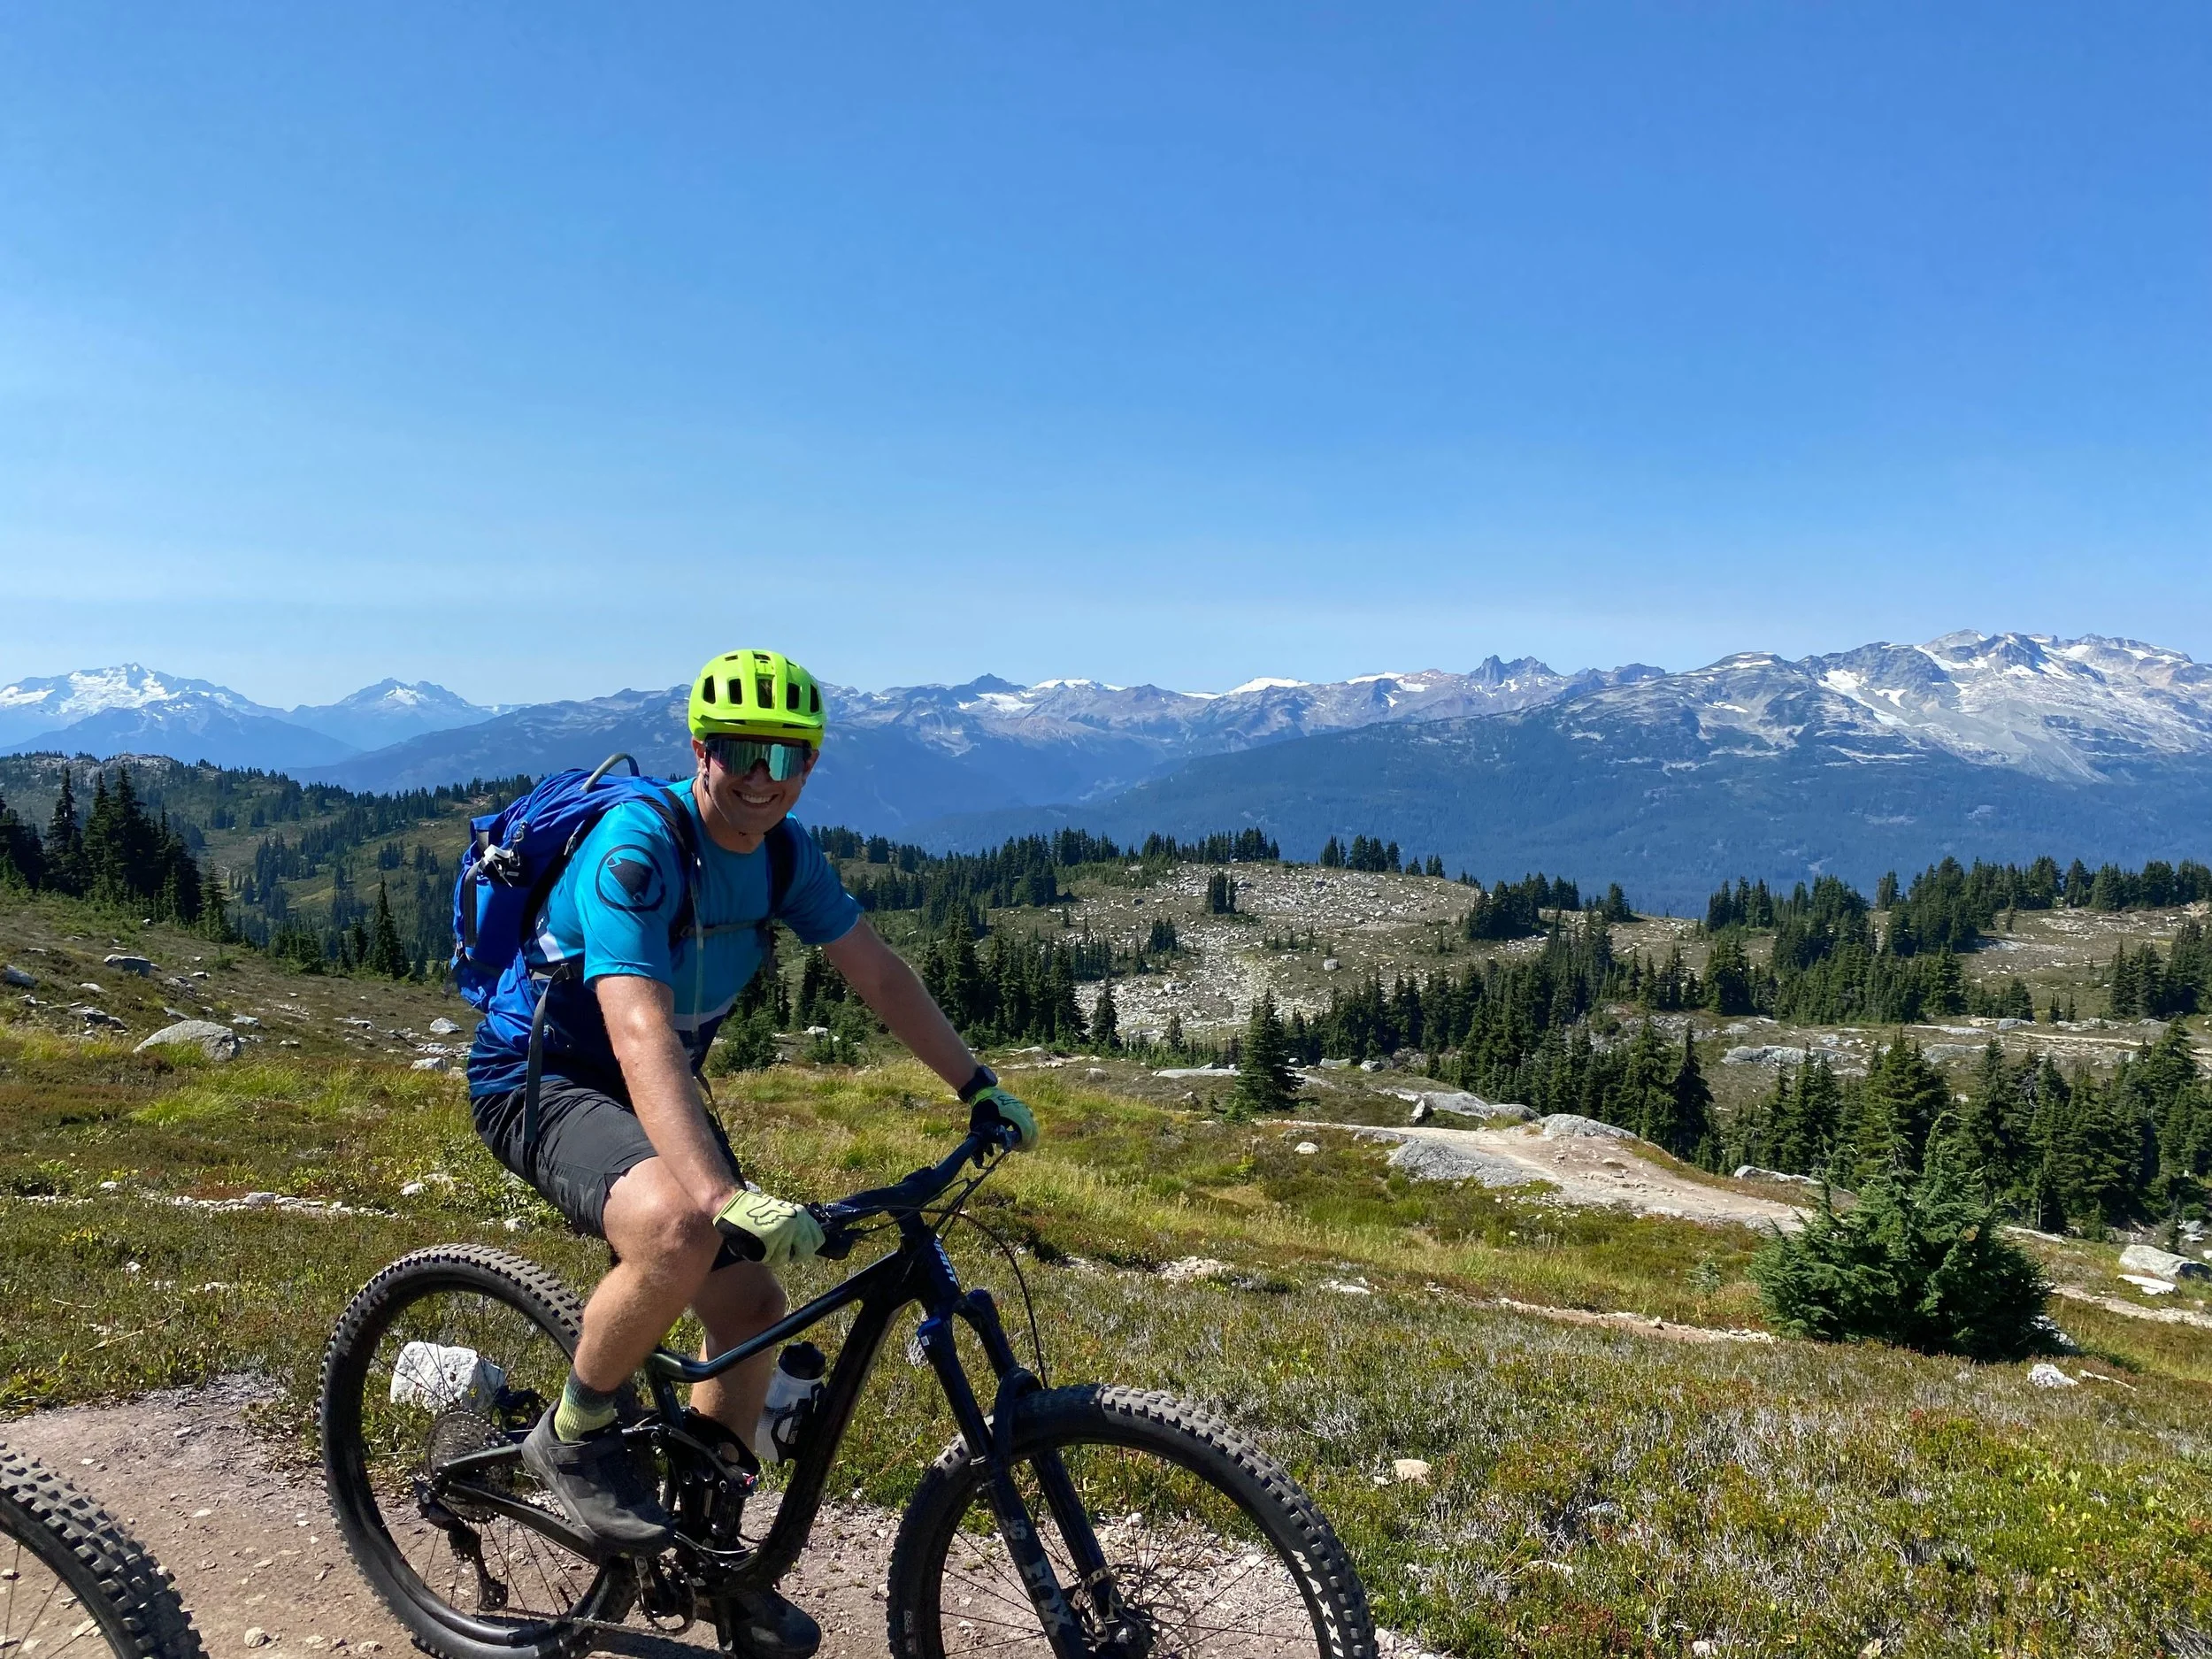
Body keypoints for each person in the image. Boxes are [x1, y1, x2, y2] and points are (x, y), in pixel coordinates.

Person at [465, 648, 1035, 1654]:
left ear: (810, 763)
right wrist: (721, 1189)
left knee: (751, 1308)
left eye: (790, 753)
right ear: (701, 748)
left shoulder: (781, 853)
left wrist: (975, 1084)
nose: (764, 773)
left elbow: (878, 972)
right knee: (681, 1223)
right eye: (741, 749)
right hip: (543, 1076)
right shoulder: (637, 847)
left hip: (657, 1085)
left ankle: (707, 1565)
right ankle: (574, 1433)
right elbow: (638, 1030)